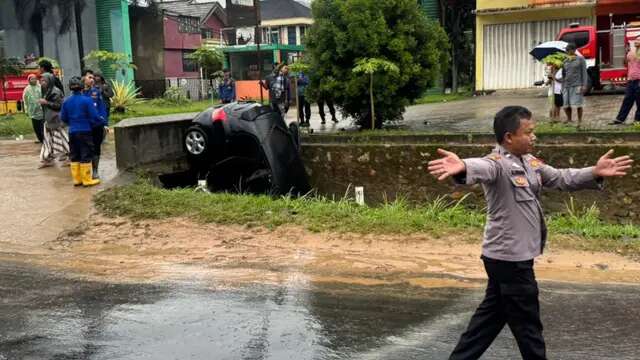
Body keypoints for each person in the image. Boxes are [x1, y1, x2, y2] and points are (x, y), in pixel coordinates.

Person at [427, 106, 632, 360]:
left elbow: (561, 178)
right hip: (510, 260)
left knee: (489, 321)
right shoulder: (497, 164)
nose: (534, 137)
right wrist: (461, 166)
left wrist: (594, 172)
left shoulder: (530, 163)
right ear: (509, 137)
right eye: (529, 132)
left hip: (509, 257)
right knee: (529, 328)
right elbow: (480, 167)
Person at [60, 76, 101, 187]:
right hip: (85, 131)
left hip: (72, 132)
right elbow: (94, 117)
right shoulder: (87, 100)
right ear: (82, 87)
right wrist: (100, 121)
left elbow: (63, 118)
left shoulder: (66, 101)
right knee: (86, 154)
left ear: (70, 88)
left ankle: (77, 180)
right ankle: (87, 180)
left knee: (74, 154)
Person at [38, 72, 70, 168]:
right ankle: (48, 159)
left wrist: (46, 102)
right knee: (48, 141)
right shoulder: (47, 90)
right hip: (50, 120)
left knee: (64, 140)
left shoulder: (55, 91)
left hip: (57, 121)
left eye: (44, 80)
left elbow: (59, 106)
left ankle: (72, 157)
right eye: (41, 80)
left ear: (50, 81)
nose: (42, 82)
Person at [82, 70, 108, 179]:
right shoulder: (79, 93)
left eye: (93, 78)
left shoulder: (96, 92)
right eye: (89, 77)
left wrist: (105, 123)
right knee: (85, 148)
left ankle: (95, 170)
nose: (92, 79)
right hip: (84, 126)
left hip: (96, 125)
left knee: (96, 147)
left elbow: (102, 108)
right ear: (83, 79)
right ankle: (85, 172)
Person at [610, 35, 640, 125]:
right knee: (627, 100)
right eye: (636, 40)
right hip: (631, 80)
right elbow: (625, 63)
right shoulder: (631, 52)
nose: (636, 42)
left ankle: (637, 120)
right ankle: (620, 119)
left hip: (639, 80)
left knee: (639, 101)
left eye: (638, 41)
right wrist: (626, 52)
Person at [561, 43, 588, 126]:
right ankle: (569, 119)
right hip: (566, 85)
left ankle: (580, 120)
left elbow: (584, 73)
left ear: (574, 50)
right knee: (566, 104)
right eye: (567, 50)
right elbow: (563, 74)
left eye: (569, 50)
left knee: (578, 104)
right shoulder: (565, 60)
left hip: (577, 85)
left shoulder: (580, 59)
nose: (568, 52)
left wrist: (584, 85)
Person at [22, 74, 45, 143]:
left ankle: (44, 139)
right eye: (32, 79)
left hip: (42, 110)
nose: (34, 80)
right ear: (29, 80)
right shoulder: (27, 89)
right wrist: (26, 110)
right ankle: (40, 139)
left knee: (42, 126)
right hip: (33, 112)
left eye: (35, 78)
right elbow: (25, 100)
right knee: (36, 127)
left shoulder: (40, 87)